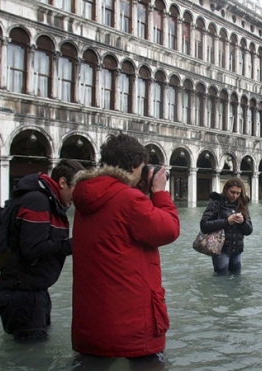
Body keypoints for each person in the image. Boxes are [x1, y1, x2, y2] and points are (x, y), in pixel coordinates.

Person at [70, 133, 180, 366]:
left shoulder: (87, 196)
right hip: (132, 322)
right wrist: (159, 191)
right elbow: (169, 229)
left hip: (93, 320)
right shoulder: (129, 200)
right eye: (142, 167)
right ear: (133, 166)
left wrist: (140, 191)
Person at [0, 159, 85, 340]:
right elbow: (33, 249)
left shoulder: (46, 200)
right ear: (62, 183)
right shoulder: (38, 201)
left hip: (33, 292)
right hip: (23, 297)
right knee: (29, 357)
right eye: (78, 187)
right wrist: (76, 244)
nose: (79, 195)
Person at [200, 178, 253, 275]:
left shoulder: (242, 205)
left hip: (237, 250)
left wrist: (243, 222)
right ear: (226, 190)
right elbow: (204, 225)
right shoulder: (216, 202)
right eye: (232, 192)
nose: (235, 196)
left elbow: (249, 231)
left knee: (237, 279)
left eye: (238, 193)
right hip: (221, 249)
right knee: (221, 280)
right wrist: (226, 221)